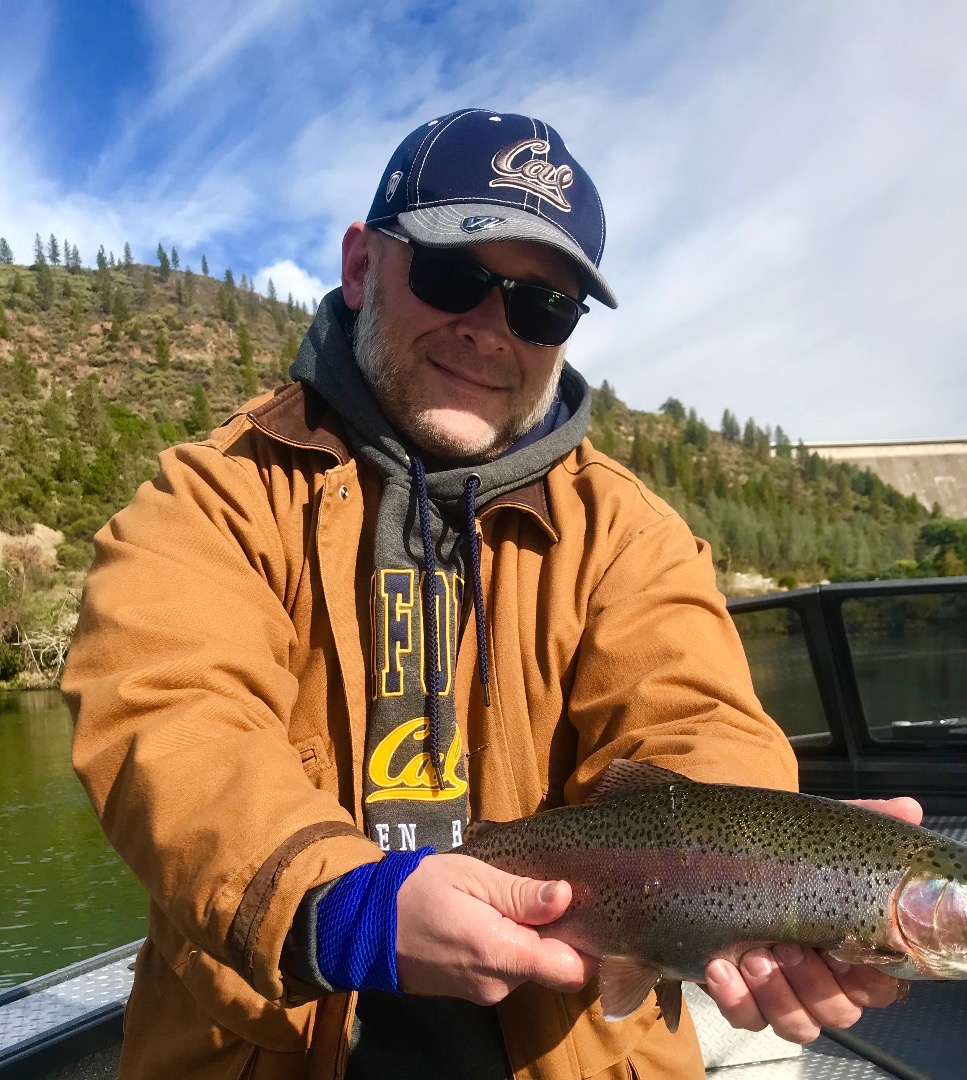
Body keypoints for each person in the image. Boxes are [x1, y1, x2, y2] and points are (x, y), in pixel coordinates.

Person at [64, 108, 917, 1080]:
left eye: (542, 306)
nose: (491, 329)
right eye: (454, 275)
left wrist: (777, 880)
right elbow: (169, 722)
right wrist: (353, 909)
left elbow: (695, 721)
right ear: (360, 266)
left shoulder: (630, 535)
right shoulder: (215, 498)